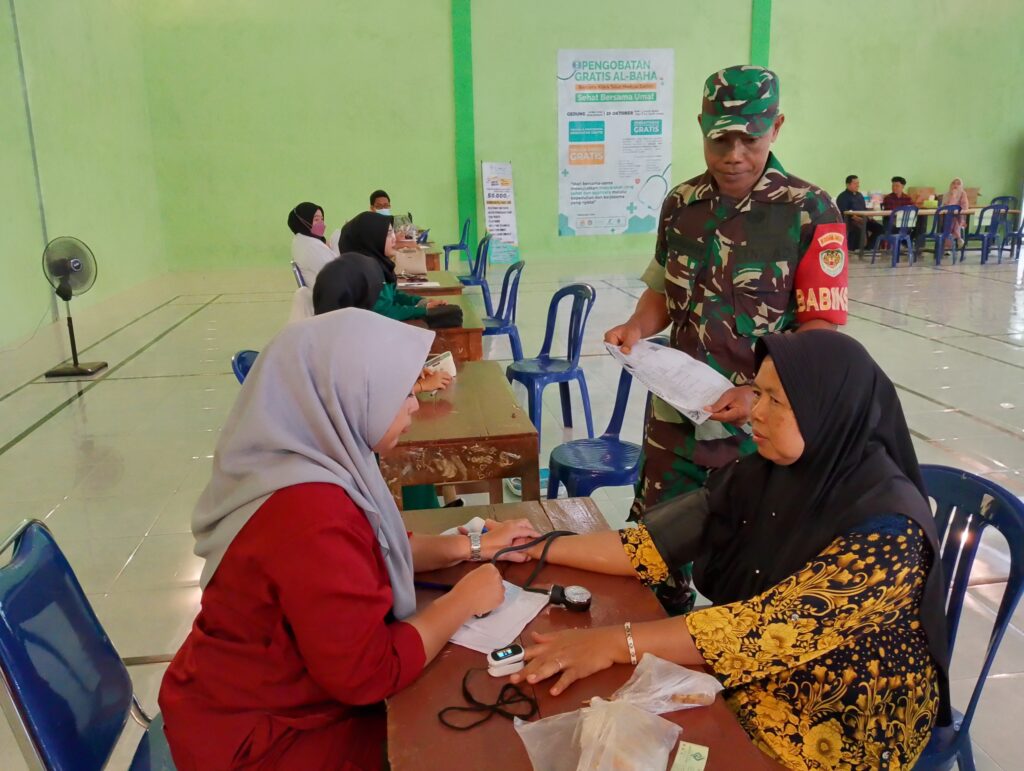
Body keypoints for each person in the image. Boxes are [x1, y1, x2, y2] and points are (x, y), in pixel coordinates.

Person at [509, 330, 950, 770]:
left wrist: (611, 642)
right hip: (751, 671)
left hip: (842, 722)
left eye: (776, 401)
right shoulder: (769, 471)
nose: (755, 412)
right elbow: (647, 546)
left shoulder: (890, 532)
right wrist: (533, 546)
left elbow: (763, 630)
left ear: (826, 410)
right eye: (757, 392)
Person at [158, 309, 539, 770]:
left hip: (249, 697)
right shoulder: (309, 513)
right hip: (259, 737)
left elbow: (370, 548)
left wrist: (471, 546)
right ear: (348, 397)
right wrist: (462, 601)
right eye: (402, 393)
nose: (415, 405)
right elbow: (368, 673)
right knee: (463, 743)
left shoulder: (306, 461)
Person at [603, 65, 849, 614]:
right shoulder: (682, 204)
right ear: (701, 127)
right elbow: (662, 291)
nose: (734, 155)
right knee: (653, 561)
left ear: (776, 128)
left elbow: (820, 332)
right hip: (675, 424)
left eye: (750, 140)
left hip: (757, 433)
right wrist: (637, 327)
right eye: (720, 140)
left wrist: (758, 393)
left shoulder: (811, 211)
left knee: (751, 576)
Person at [312, 254, 453, 510]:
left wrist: (406, 379)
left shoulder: (327, 334)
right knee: (411, 452)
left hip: (341, 454)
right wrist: (417, 387)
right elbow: (367, 404)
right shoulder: (345, 349)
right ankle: (421, 516)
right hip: (347, 464)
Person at [337, 211, 448, 323]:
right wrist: (422, 311)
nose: (394, 238)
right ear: (372, 239)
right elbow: (384, 313)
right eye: (389, 234)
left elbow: (393, 296)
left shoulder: (378, 266)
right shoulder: (364, 274)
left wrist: (422, 303)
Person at [288, 202, 338, 287]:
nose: (322, 224)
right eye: (316, 220)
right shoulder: (312, 246)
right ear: (303, 222)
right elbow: (338, 271)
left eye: (322, 219)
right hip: (329, 290)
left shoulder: (299, 240)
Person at [836, 174, 883, 251]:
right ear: (848, 184)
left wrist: (869, 216)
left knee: (880, 228)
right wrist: (856, 218)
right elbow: (844, 212)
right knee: (858, 228)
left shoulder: (859, 195)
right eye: (855, 183)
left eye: (858, 183)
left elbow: (864, 209)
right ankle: (854, 249)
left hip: (863, 219)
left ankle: (868, 248)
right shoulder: (842, 197)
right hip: (851, 221)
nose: (857, 185)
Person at [941, 177, 970, 248]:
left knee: (954, 221)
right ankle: (958, 238)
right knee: (951, 220)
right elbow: (946, 207)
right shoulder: (947, 194)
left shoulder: (963, 194)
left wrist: (956, 211)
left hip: (960, 218)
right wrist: (953, 196)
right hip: (946, 218)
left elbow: (965, 207)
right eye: (953, 183)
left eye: (958, 184)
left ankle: (948, 247)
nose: (955, 185)